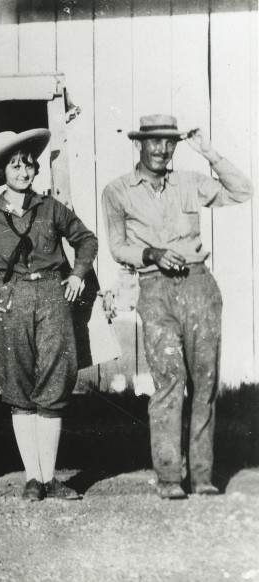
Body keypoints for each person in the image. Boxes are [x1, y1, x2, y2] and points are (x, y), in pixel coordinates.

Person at [101, 115, 253, 500]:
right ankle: (169, 477)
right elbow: (118, 247)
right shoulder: (117, 191)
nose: (162, 150)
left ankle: (202, 475)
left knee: (205, 382)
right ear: (139, 144)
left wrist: (209, 152)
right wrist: (150, 252)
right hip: (155, 291)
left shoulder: (189, 181)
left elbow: (242, 190)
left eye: (170, 143)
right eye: (154, 142)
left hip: (200, 287)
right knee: (170, 382)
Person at [0, 130, 98, 502]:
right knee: (18, 387)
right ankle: (32, 479)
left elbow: (86, 240)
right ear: (2, 172)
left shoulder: (50, 208)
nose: (23, 172)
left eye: (28, 165)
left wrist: (77, 274)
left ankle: (51, 478)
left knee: (53, 384)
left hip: (53, 296)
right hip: (9, 301)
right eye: (15, 166)